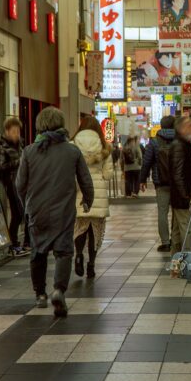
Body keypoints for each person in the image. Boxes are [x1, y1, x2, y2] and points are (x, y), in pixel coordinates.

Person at [16, 107, 94, 317]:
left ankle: (40, 294)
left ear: (40, 125)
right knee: (64, 251)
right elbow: (85, 181)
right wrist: (88, 201)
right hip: (64, 210)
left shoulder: (29, 151)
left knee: (38, 252)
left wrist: (27, 206)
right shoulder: (72, 151)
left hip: (37, 210)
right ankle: (59, 290)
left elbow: (20, 184)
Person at [72, 115, 114, 278]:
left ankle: (78, 256)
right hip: (98, 193)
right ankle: (91, 265)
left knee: (80, 227)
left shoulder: (73, 144)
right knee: (94, 232)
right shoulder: (104, 146)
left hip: (79, 192)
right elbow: (108, 174)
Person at [140, 115, 177, 252]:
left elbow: (147, 162)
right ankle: (176, 239)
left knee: (162, 212)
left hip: (160, 183)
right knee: (177, 212)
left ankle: (165, 242)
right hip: (177, 184)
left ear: (161, 126)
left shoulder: (154, 142)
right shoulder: (179, 140)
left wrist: (142, 180)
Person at [0, 117, 30, 257]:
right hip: (11, 183)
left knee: (26, 211)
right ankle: (13, 242)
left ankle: (27, 242)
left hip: (23, 182)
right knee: (18, 213)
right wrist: (18, 162)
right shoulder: (1, 146)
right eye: (14, 131)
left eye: (18, 131)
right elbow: (1, 166)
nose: (16, 134)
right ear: (7, 131)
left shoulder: (20, 144)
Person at [170, 116, 191, 254]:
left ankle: (175, 260)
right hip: (182, 197)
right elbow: (178, 174)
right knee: (187, 229)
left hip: (181, 195)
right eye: (189, 125)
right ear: (181, 129)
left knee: (177, 229)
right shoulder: (179, 146)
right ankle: (189, 258)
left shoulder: (184, 145)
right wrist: (186, 196)